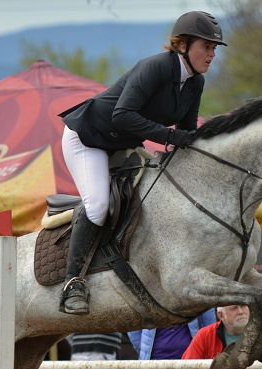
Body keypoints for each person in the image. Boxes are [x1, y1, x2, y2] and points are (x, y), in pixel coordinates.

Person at [57, 11, 225, 314]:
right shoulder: (156, 67)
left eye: (214, 49)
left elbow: (187, 132)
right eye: (207, 46)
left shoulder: (194, 83)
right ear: (183, 44)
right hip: (89, 138)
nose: (212, 55)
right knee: (97, 204)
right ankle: (73, 283)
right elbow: (123, 114)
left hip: (122, 144)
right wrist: (169, 136)